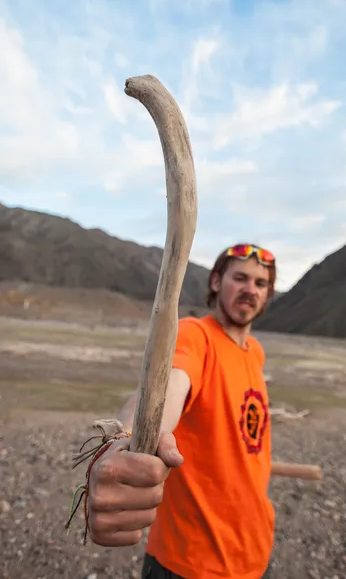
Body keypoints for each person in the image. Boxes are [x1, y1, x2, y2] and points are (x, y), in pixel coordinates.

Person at [86, 243, 277, 579]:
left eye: (260, 284)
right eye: (241, 278)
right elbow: (167, 388)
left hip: (255, 552)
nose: (250, 290)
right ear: (216, 281)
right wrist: (125, 441)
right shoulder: (196, 335)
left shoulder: (254, 352)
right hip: (190, 561)